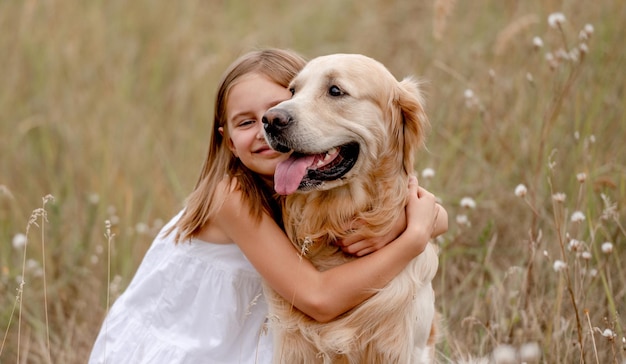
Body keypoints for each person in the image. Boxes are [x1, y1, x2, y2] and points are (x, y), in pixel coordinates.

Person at [89, 48, 447, 364]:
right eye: (246, 122)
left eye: (334, 92)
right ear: (227, 140)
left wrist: (424, 221)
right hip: (192, 347)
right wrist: (413, 239)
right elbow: (317, 298)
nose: (274, 122)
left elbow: (429, 209)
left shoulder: (302, 182)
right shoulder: (233, 196)